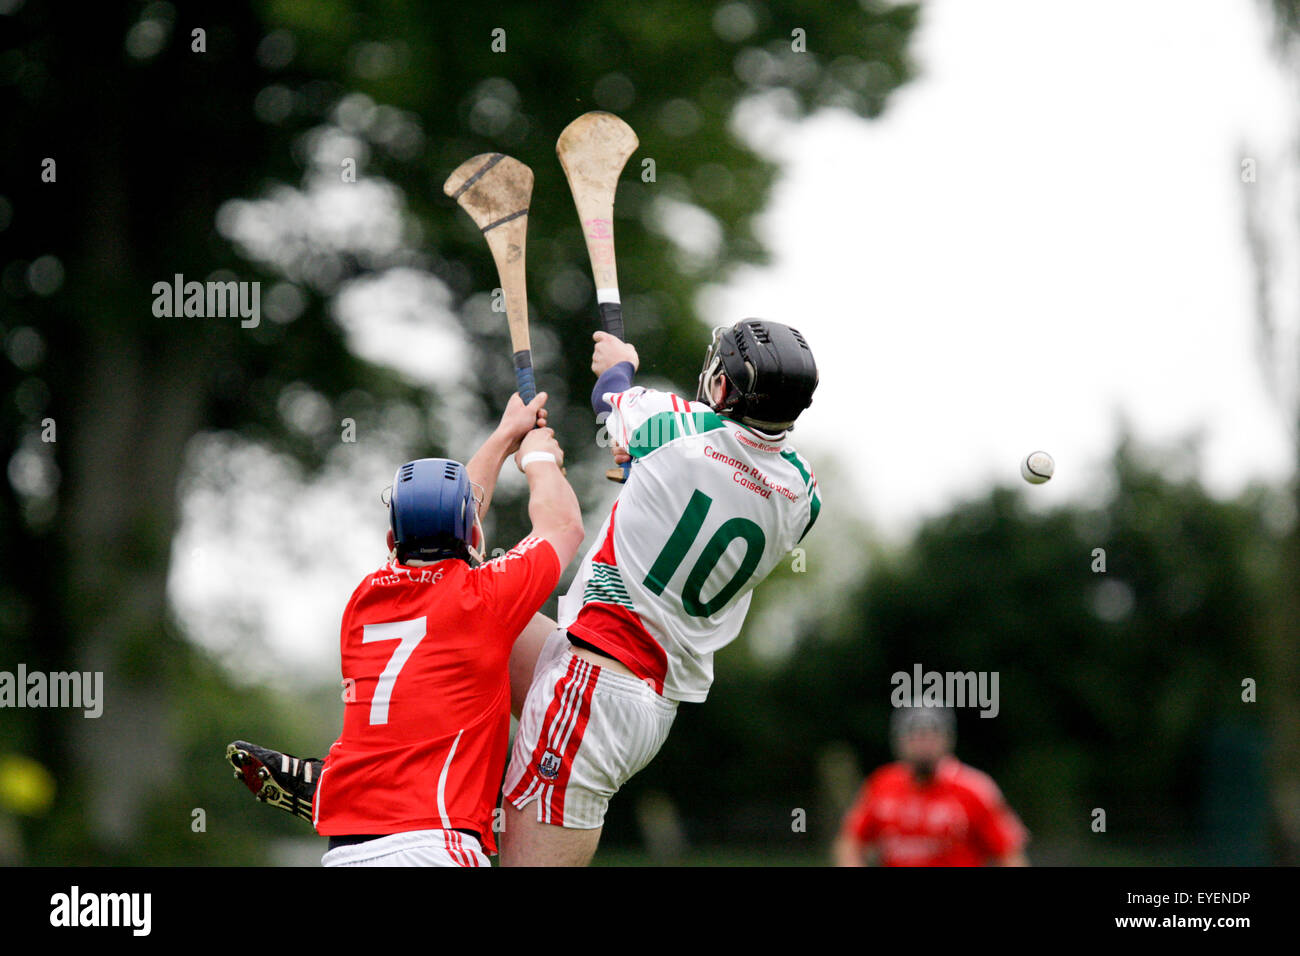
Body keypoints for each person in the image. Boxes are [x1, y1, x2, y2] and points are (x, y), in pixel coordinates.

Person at [498, 319, 821, 866]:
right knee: (475, 619)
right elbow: (716, 484)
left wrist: (620, 360)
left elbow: (611, 392)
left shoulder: (679, 426)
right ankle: (411, 789)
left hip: (595, 682)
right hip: (643, 693)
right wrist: (652, 476)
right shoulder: (802, 492)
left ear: (725, 387)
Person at [229, 393, 584, 866]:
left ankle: (335, 779)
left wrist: (504, 437)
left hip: (346, 854)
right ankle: (330, 777)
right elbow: (562, 524)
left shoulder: (363, 602)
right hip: (435, 845)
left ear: (392, 538)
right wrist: (538, 456)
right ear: (473, 533)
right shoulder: (483, 598)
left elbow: (457, 524)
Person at [833, 707, 1029, 867]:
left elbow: (1009, 853)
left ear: (948, 738)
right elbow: (850, 842)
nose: (922, 743)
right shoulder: (881, 785)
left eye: (931, 734)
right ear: (898, 740)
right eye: (913, 735)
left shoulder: (975, 788)